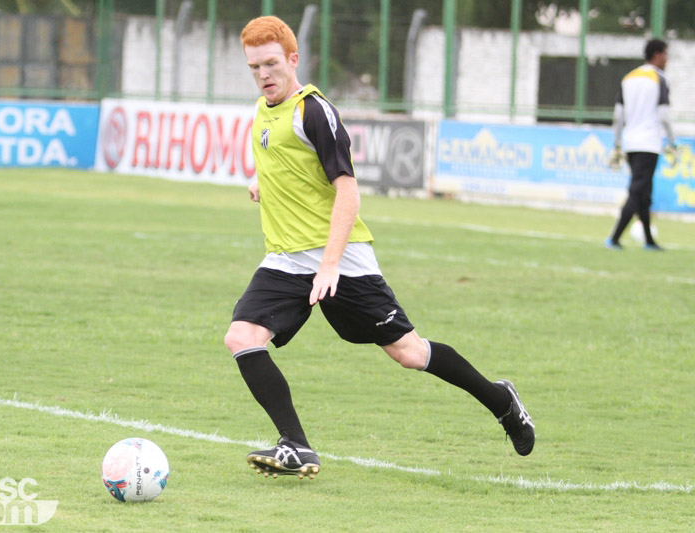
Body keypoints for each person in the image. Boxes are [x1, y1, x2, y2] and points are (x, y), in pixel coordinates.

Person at [224, 15, 534, 479]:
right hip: (287, 258)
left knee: (408, 353)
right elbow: (291, 165)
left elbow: (347, 191)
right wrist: (261, 182)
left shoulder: (314, 111)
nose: (263, 75)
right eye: (254, 67)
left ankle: (501, 399)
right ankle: (296, 445)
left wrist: (329, 268)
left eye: (271, 64)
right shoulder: (261, 110)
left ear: (293, 59)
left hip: (342, 262)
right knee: (242, 338)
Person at [606, 38, 676, 251]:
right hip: (649, 142)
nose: (667, 59)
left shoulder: (629, 77)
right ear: (657, 55)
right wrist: (672, 141)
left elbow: (618, 115)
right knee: (638, 190)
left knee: (644, 192)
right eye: (665, 54)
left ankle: (649, 241)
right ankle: (614, 238)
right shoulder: (659, 78)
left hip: (630, 142)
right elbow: (663, 115)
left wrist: (617, 142)